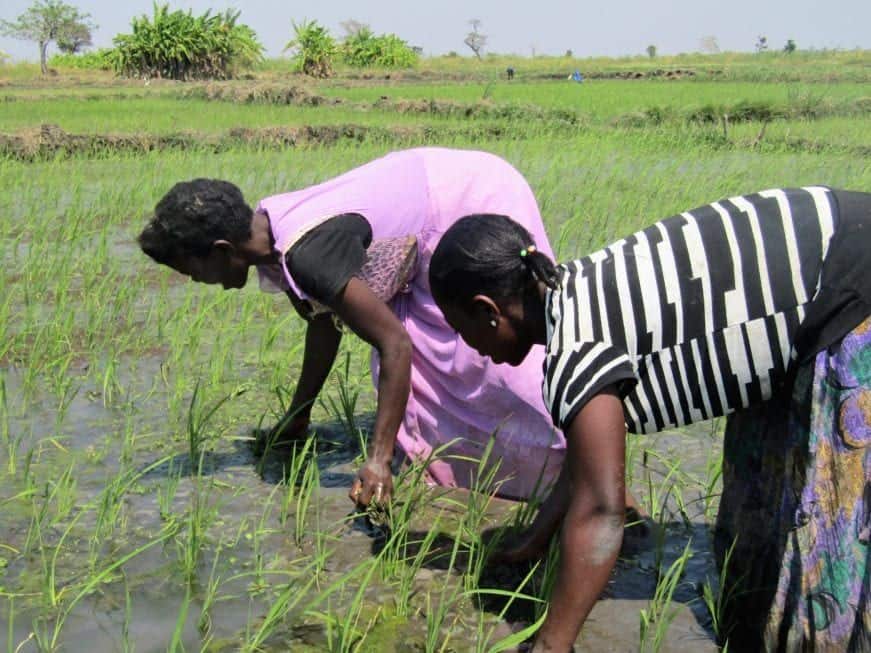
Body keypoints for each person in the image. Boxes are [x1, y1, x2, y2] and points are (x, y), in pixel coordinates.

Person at [429, 187, 871, 651]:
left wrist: (551, 644)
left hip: (848, 283)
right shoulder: (572, 289)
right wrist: (535, 541)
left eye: (463, 331)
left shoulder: (575, 350)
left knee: (828, 536)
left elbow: (603, 508)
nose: (471, 348)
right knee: (759, 509)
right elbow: (585, 465)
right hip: (826, 257)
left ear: (488, 311)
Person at [137, 147, 571, 507]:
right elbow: (323, 324)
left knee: (495, 349)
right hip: (428, 204)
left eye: (191, 271)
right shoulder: (272, 232)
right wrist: (297, 417)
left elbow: (394, 344)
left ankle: (573, 462)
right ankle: (476, 468)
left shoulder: (305, 251)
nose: (196, 282)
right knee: (431, 356)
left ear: (220, 251)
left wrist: (378, 459)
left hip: (465, 197)